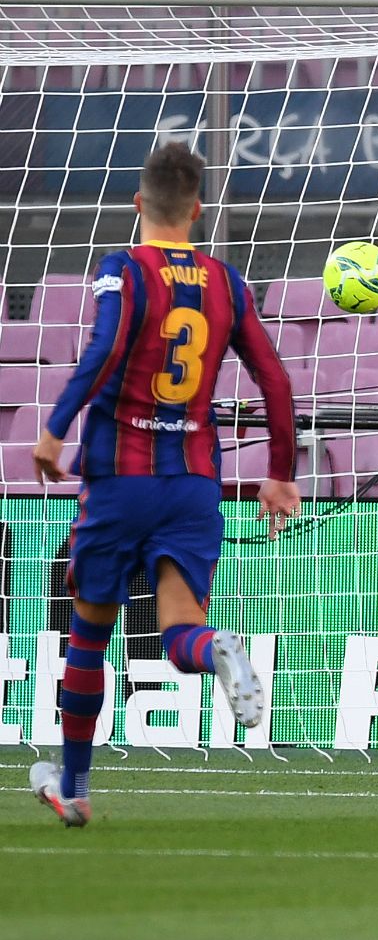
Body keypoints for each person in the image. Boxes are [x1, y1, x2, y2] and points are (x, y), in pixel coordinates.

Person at [28, 142, 301, 827]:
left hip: (121, 480)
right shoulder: (226, 282)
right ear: (199, 209)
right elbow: (275, 378)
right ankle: (218, 651)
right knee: (182, 634)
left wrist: (55, 428)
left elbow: (107, 349)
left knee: (90, 633)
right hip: (193, 485)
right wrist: (279, 475)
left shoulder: (123, 270)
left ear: (138, 204)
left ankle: (76, 787)